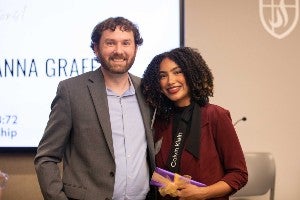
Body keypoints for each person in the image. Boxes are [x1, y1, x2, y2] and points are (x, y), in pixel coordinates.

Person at [34, 17, 156, 200]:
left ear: (135, 48)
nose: (119, 50)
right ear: (96, 48)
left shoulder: (149, 91)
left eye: (126, 43)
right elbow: (46, 158)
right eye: (110, 43)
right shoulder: (71, 91)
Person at [141, 47, 248, 200]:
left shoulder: (215, 115)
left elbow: (239, 174)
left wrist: (203, 193)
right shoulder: (159, 121)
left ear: (192, 73)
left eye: (177, 72)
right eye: (163, 76)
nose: (170, 81)